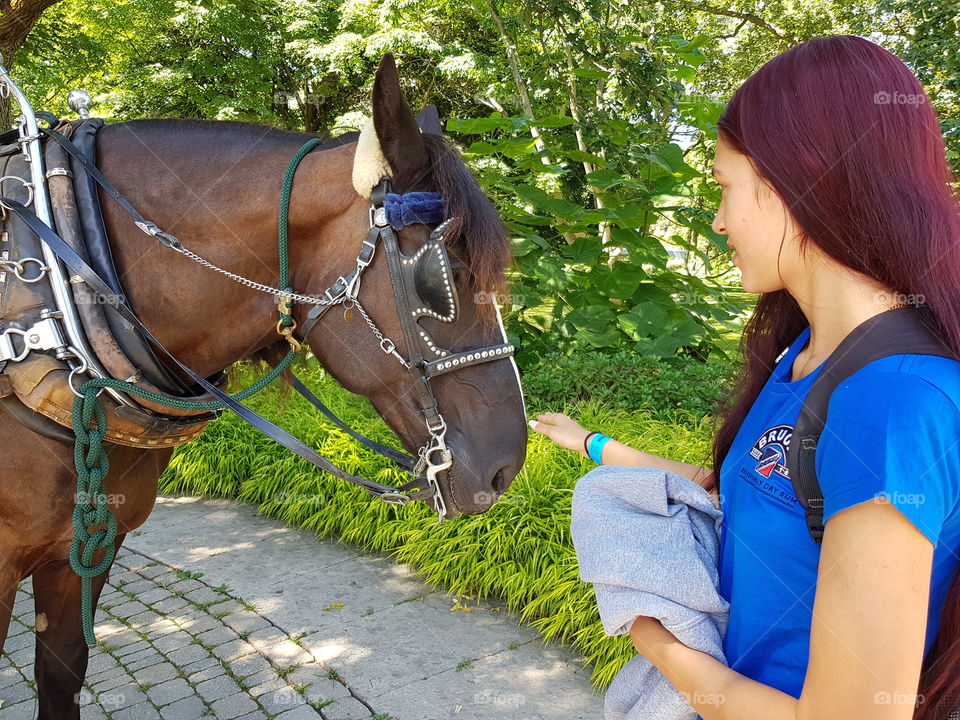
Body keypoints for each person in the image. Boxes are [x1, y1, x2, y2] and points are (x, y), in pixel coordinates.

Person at [530, 34, 960, 720]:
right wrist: (593, 446)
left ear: (800, 184)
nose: (718, 220)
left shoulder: (894, 403)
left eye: (726, 189)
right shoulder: (806, 355)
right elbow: (749, 490)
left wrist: (655, 636)